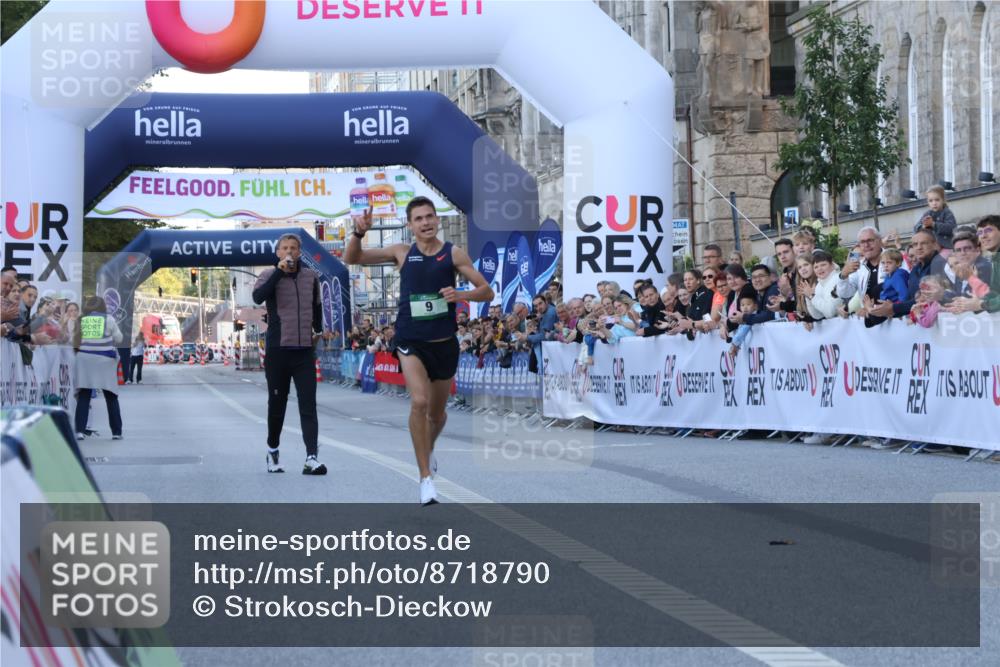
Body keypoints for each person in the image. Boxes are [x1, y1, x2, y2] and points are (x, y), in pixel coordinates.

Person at [345, 197, 494, 505]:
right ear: (410, 225)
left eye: (429, 217)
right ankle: (425, 477)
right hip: (410, 340)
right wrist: (358, 233)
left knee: (438, 415)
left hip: (443, 343)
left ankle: (428, 449)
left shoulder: (453, 253)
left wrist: (460, 294)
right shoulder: (401, 252)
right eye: (418, 219)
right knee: (420, 402)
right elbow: (353, 259)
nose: (425, 223)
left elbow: (486, 290)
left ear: (437, 220)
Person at [252, 232, 328, 477]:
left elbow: (316, 309)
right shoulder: (267, 275)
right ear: (277, 252)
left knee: (308, 406)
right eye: (284, 247)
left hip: (304, 352)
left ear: (299, 251)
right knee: (277, 405)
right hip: (278, 351)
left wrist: (319, 331)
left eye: (293, 248)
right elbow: (257, 297)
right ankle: (273, 450)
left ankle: (311, 458)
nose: (289, 251)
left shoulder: (311, 277)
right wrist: (278, 272)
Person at [73, 296, 124, 441]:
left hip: (85, 360)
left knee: (84, 394)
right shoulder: (109, 319)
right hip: (105, 360)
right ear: (103, 306)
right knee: (111, 395)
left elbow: (75, 341)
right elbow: (119, 338)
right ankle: (116, 432)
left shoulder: (81, 319)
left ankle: (79, 431)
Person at [913, 185, 957, 249]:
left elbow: (951, 228)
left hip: (945, 246)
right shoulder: (927, 214)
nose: (934, 203)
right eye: (931, 201)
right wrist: (923, 226)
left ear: (943, 200)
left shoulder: (947, 213)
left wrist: (933, 224)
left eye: (937, 200)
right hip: (931, 247)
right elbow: (915, 228)